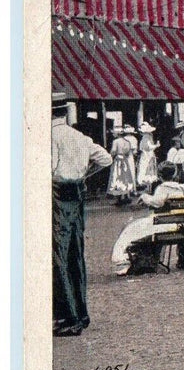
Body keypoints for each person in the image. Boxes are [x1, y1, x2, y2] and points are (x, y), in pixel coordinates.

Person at [52, 92, 112, 336]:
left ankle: (68, 317)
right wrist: (84, 174)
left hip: (57, 193)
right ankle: (81, 312)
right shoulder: (78, 136)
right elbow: (105, 159)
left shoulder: (47, 136)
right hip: (77, 192)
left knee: (58, 255)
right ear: (65, 112)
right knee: (75, 253)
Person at [111, 162, 184, 276]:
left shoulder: (162, 188)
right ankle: (143, 261)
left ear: (160, 176)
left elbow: (157, 202)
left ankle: (127, 258)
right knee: (139, 227)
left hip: (163, 223)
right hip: (175, 223)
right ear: (174, 174)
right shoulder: (181, 188)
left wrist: (144, 197)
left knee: (132, 227)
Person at [106, 125, 136, 205]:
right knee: (125, 177)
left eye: (114, 133)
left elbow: (113, 151)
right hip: (125, 160)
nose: (113, 134)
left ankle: (119, 197)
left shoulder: (115, 142)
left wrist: (110, 156)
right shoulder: (127, 142)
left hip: (118, 160)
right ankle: (126, 195)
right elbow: (128, 152)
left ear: (117, 133)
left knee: (117, 177)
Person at [135, 122, 160, 192]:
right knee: (147, 169)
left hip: (147, 155)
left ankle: (148, 187)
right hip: (147, 155)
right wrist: (156, 145)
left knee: (147, 169)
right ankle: (148, 186)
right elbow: (149, 147)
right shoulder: (146, 138)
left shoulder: (146, 137)